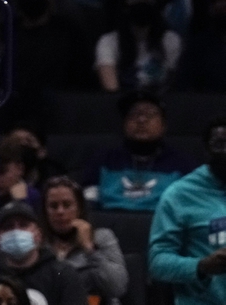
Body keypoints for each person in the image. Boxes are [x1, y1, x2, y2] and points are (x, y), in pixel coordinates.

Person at [148, 115, 226, 305]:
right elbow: (157, 262)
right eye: (219, 144)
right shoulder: (179, 195)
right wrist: (201, 266)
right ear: (206, 150)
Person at [82, 90, 197, 211]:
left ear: (163, 125)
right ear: (124, 123)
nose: (141, 120)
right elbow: (89, 203)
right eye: (134, 114)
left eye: (150, 114)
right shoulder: (104, 160)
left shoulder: (182, 164)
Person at [39, 176, 128, 304]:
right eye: (53, 206)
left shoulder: (102, 238)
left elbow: (117, 287)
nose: (60, 211)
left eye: (67, 205)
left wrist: (89, 249)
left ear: (79, 208)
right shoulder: (39, 246)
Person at [0, 201, 90, 305]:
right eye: (8, 227)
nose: (16, 231)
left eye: (23, 225)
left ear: (38, 234)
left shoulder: (63, 275)